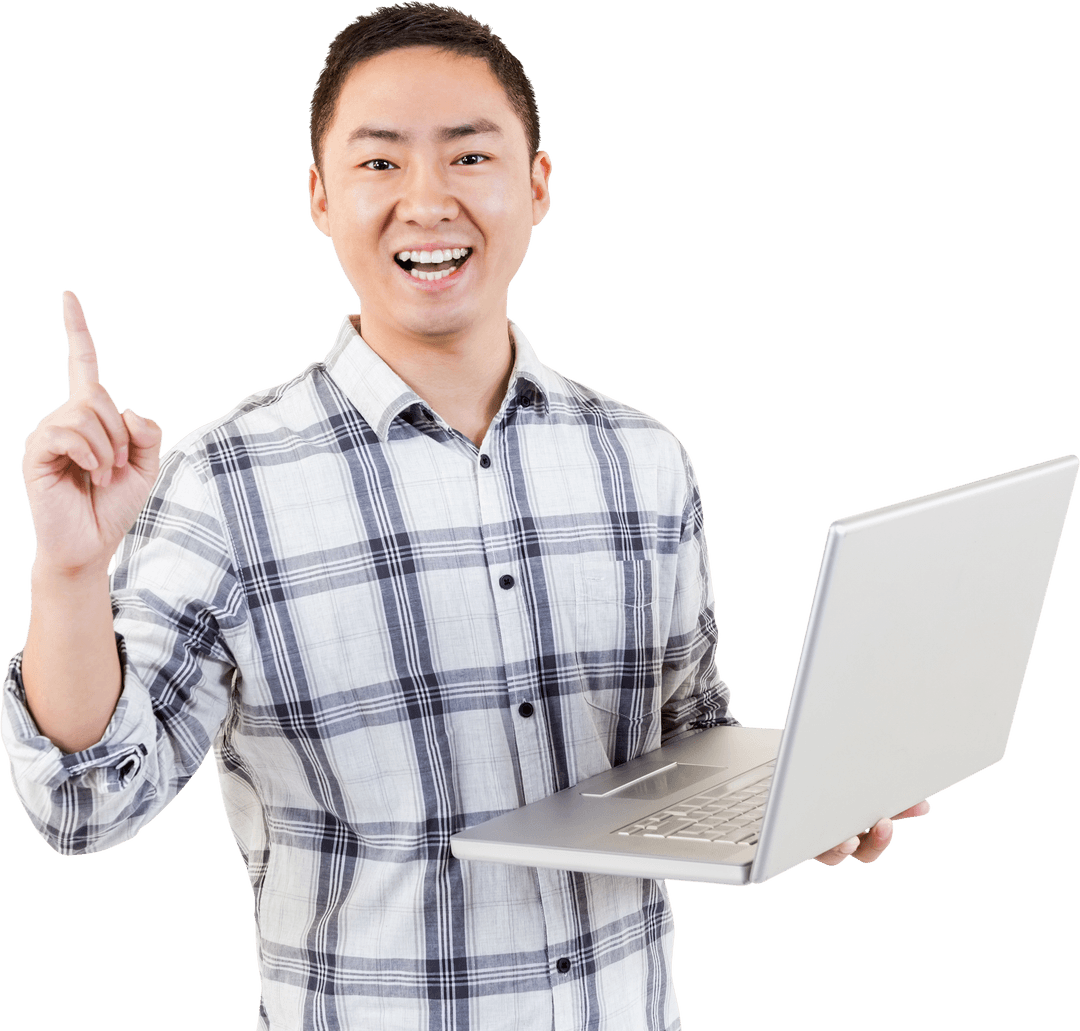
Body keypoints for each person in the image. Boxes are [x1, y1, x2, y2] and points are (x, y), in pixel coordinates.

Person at [2, 4, 929, 1029]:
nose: (428, 200)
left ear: (537, 183)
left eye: (470, 154)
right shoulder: (223, 481)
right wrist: (71, 573)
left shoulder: (645, 459)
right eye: (381, 163)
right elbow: (83, 805)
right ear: (320, 197)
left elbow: (683, 735)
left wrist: (804, 792)